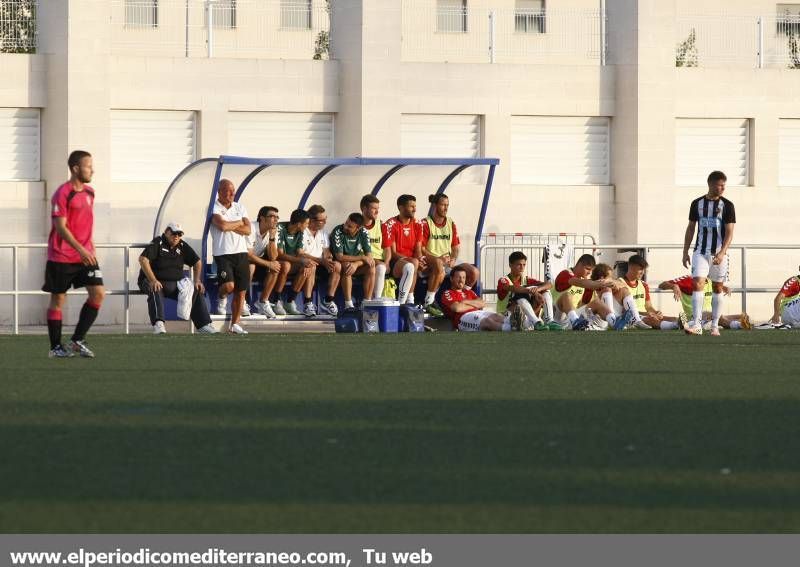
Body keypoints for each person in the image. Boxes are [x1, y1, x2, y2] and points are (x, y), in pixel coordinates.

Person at [43, 150, 105, 358]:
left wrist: (90, 249)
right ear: (75, 168)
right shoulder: (62, 193)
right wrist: (81, 249)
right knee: (58, 300)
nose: (92, 170)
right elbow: (60, 227)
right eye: (88, 166)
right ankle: (55, 348)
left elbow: (85, 225)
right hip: (61, 256)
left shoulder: (90, 193)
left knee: (98, 293)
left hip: (86, 255)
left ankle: (77, 340)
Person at [682, 170, 736, 336]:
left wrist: (722, 253)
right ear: (711, 184)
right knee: (697, 282)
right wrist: (685, 251)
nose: (722, 188)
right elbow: (691, 228)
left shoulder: (727, 205)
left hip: (719, 254)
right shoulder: (696, 203)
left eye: (724, 185)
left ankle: (714, 325)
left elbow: (729, 232)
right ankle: (697, 324)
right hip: (700, 251)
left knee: (717, 287)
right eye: (719, 185)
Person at [138, 222, 217, 334]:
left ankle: (203, 325)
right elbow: (143, 260)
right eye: (174, 233)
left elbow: (197, 262)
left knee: (195, 290)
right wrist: (153, 280)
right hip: (152, 281)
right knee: (156, 288)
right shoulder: (158, 243)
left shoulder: (182, 245)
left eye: (179, 234)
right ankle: (158, 324)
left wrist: (197, 280)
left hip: (174, 283)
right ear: (166, 232)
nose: (176, 236)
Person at [420, 193, 479, 317]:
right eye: (443, 205)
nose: (446, 208)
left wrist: (453, 258)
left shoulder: (451, 223)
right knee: (439, 265)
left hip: (447, 259)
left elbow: (456, 247)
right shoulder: (426, 223)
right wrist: (437, 258)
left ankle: (464, 297)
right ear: (435, 206)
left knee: (474, 272)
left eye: (447, 205)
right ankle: (429, 302)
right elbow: (422, 248)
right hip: (432, 259)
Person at [210, 178, 251, 334]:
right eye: (228, 190)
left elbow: (248, 230)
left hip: (241, 253)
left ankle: (235, 324)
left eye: (233, 190)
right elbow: (222, 225)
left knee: (241, 291)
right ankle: (221, 297)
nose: (232, 193)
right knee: (229, 286)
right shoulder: (213, 207)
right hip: (223, 254)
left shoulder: (239, 207)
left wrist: (231, 225)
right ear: (219, 191)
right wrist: (238, 222)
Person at [552, 254, 633, 331]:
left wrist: (609, 282)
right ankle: (575, 322)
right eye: (587, 269)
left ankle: (614, 322)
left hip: (573, 319)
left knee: (597, 302)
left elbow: (622, 284)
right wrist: (602, 283)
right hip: (557, 318)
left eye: (590, 270)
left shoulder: (586, 282)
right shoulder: (565, 274)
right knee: (567, 295)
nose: (589, 273)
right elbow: (579, 282)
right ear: (579, 265)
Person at [441, 266, 520, 332]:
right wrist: (475, 305)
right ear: (451, 279)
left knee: (496, 316)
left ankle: (520, 324)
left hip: (478, 312)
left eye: (463, 277)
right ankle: (512, 329)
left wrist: (465, 301)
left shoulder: (469, 292)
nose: (461, 280)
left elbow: (482, 303)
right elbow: (457, 308)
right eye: (458, 277)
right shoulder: (448, 293)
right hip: (463, 318)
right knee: (487, 321)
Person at [496, 251, 561, 330]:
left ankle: (549, 321)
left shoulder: (526, 279)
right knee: (519, 294)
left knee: (545, 291)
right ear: (510, 265)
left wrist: (538, 290)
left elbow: (549, 284)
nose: (522, 267)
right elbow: (513, 288)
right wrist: (532, 291)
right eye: (519, 265)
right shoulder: (503, 280)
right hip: (505, 316)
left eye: (524, 265)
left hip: (524, 316)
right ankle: (536, 322)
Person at [658, 274, 751, 330]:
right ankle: (739, 325)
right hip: (692, 316)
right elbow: (661, 285)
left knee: (743, 316)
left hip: (707, 316)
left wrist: (723, 287)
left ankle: (693, 325)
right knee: (716, 316)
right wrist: (674, 286)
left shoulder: (711, 281)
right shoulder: (688, 280)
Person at [274, 209, 317, 317]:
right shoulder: (280, 228)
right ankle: (277, 301)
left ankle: (290, 302)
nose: (307, 226)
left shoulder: (300, 232)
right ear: (299, 224)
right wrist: (301, 260)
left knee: (309, 267)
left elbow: (299, 252)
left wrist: (306, 262)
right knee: (286, 265)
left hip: (291, 262)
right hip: (275, 262)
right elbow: (279, 254)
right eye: (306, 223)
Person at [330, 213, 376, 308]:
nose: (345, 227)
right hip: (340, 264)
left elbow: (369, 257)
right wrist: (361, 258)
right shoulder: (338, 231)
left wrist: (356, 264)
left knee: (371, 266)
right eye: (346, 223)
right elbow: (340, 257)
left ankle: (367, 302)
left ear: (358, 228)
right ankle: (348, 304)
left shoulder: (364, 232)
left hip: (355, 264)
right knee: (348, 266)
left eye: (350, 226)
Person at [384, 194, 423, 306]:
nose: (414, 209)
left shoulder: (417, 224)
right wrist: (413, 259)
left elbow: (418, 249)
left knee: (416, 262)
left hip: (412, 261)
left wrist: (421, 259)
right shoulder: (391, 224)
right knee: (413, 263)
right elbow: (393, 253)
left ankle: (412, 301)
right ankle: (406, 301)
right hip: (395, 262)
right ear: (401, 207)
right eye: (411, 206)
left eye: (415, 206)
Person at [304, 204, 340, 315]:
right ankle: (308, 303)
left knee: (337, 265)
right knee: (312, 265)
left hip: (321, 263)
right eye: (322, 220)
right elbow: (301, 254)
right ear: (311, 220)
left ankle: (328, 300)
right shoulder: (303, 231)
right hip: (305, 263)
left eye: (325, 219)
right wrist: (321, 261)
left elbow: (326, 250)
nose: (324, 222)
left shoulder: (323, 232)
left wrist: (328, 258)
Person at [247, 206, 282, 319]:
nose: (275, 219)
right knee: (251, 266)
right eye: (272, 216)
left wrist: (272, 237)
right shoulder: (251, 228)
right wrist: (268, 264)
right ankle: (243, 300)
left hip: (258, 261)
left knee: (275, 266)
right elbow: (248, 255)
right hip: (241, 261)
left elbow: (273, 257)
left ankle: (263, 302)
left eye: (277, 217)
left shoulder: (273, 231)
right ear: (262, 218)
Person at [360, 194, 392, 298]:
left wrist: (387, 263)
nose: (377, 212)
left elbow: (387, 249)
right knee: (377, 266)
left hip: (378, 261)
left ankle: (375, 299)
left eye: (378, 208)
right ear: (364, 208)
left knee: (382, 267)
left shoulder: (381, 225)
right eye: (374, 208)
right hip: (361, 260)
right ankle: (372, 299)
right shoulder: (356, 225)